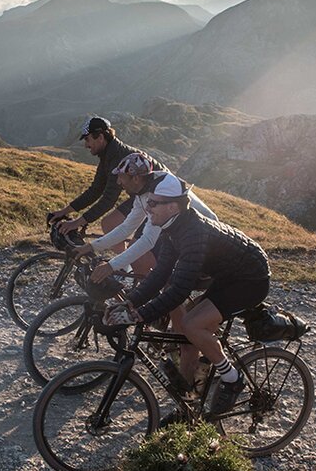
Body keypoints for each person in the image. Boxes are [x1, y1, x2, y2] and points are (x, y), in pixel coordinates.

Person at [104, 173, 270, 417]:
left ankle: (232, 378)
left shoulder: (193, 233)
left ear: (172, 206)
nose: (147, 208)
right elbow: (159, 276)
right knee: (185, 335)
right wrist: (130, 302)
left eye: (153, 203)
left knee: (192, 325)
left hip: (250, 279)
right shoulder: (173, 226)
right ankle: (188, 408)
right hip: (228, 276)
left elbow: (180, 290)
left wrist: (139, 315)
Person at [75, 160, 217, 283]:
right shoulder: (143, 191)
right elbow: (126, 228)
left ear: (136, 178)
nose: (118, 182)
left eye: (121, 177)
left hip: (203, 237)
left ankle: (162, 308)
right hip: (180, 231)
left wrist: (111, 266)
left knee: (163, 283)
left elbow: (148, 240)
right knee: (147, 268)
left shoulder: (158, 191)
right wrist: (91, 247)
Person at [47, 116, 166, 241]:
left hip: (160, 196)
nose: (86, 145)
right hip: (145, 195)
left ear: (100, 137)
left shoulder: (118, 158)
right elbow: (95, 190)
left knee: (110, 224)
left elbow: (109, 199)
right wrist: (65, 211)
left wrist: (77, 222)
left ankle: (125, 260)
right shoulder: (108, 155)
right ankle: (125, 259)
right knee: (112, 226)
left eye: (87, 139)